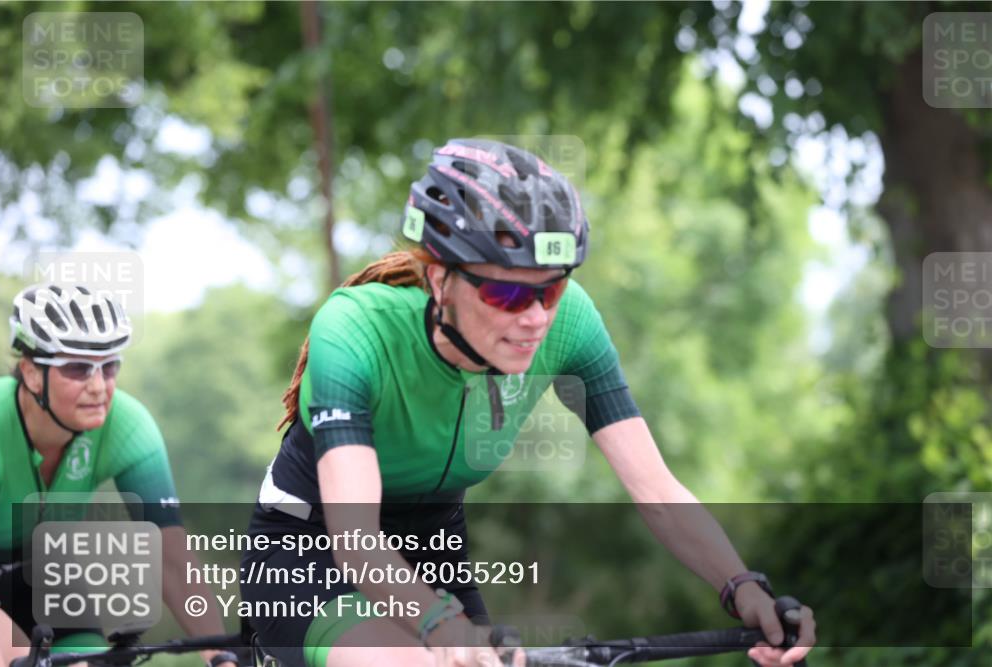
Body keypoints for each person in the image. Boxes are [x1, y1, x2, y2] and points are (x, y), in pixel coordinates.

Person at [241, 138, 816, 667]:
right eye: (507, 291)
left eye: (552, 287)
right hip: (310, 548)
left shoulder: (570, 325)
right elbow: (355, 536)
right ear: (441, 280)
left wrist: (743, 587)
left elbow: (658, 491)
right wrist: (442, 628)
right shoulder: (354, 331)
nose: (537, 316)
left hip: (431, 546)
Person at [0, 285, 236, 667]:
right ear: (31, 373)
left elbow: (171, 555)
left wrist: (219, 653)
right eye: (78, 368)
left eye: (109, 367)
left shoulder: (128, 424)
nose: (98, 386)